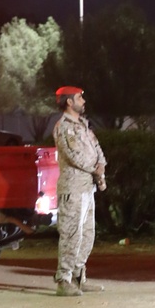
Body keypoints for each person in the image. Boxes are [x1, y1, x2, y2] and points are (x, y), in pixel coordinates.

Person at [52, 86, 107, 296]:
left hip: (86, 187)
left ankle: (78, 277)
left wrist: (100, 166)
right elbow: (75, 155)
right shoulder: (64, 127)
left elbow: (96, 148)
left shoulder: (82, 125)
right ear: (68, 102)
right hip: (73, 188)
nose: (83, 101)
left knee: (87, 234)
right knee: (71, 235)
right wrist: (96, 168)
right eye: (79, 97)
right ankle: (63, 279)